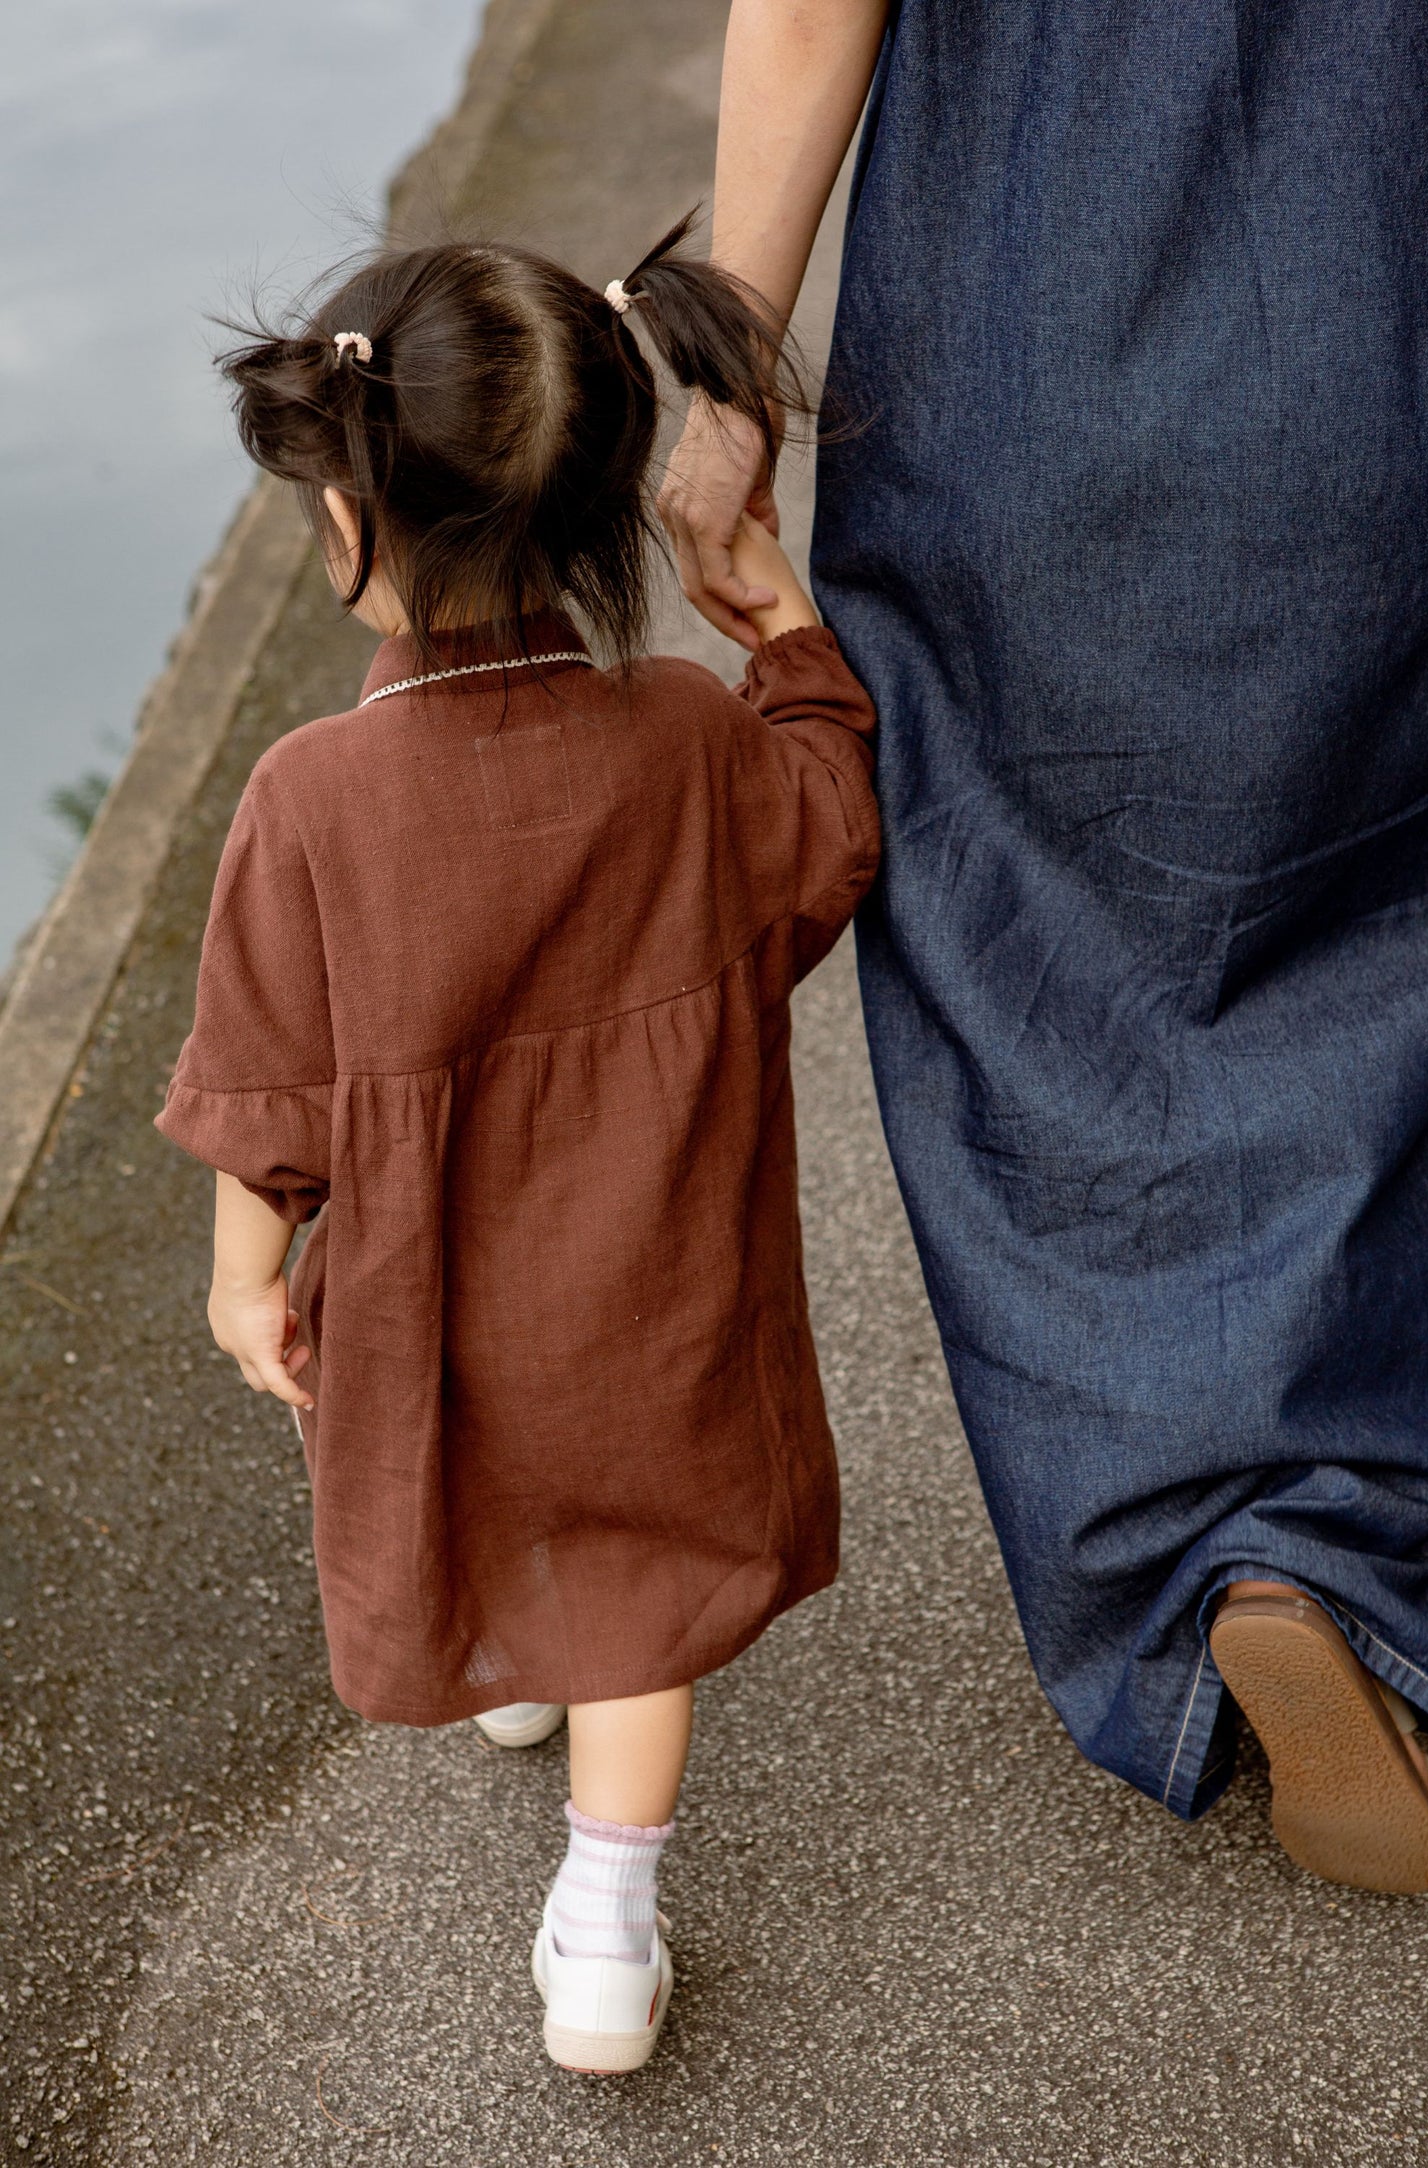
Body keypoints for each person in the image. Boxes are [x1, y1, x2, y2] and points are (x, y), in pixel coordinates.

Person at [661, 0, 1428, 1893]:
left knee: (1031, 928)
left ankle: (1220, 1550)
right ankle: (1374, 1534)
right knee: (1390, 914)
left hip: (1018, 350)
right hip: (1386, 302)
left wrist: (731, 369)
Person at [155, 218, 878, 2070]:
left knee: (479, 1457)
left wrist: (245, 1286)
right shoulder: (687, 736)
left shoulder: (311, 797)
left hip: (440, 1306)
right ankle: (606, 1932)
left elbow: (271, 1093)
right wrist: (779, 624)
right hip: (662, 1293)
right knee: (636, 1589)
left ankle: (505, 1651)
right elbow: (822, 849)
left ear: (349, 525)